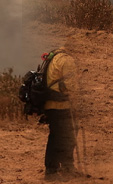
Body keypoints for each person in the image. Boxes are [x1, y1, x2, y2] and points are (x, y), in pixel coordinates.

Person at [42, 48, 78, 179]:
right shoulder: (67, 60)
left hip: (50, 104)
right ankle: (53, 171)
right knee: (63, 137)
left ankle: (66, 166)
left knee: (58, 136)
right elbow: (71, 86)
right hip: (61, 105)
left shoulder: (54, 57)